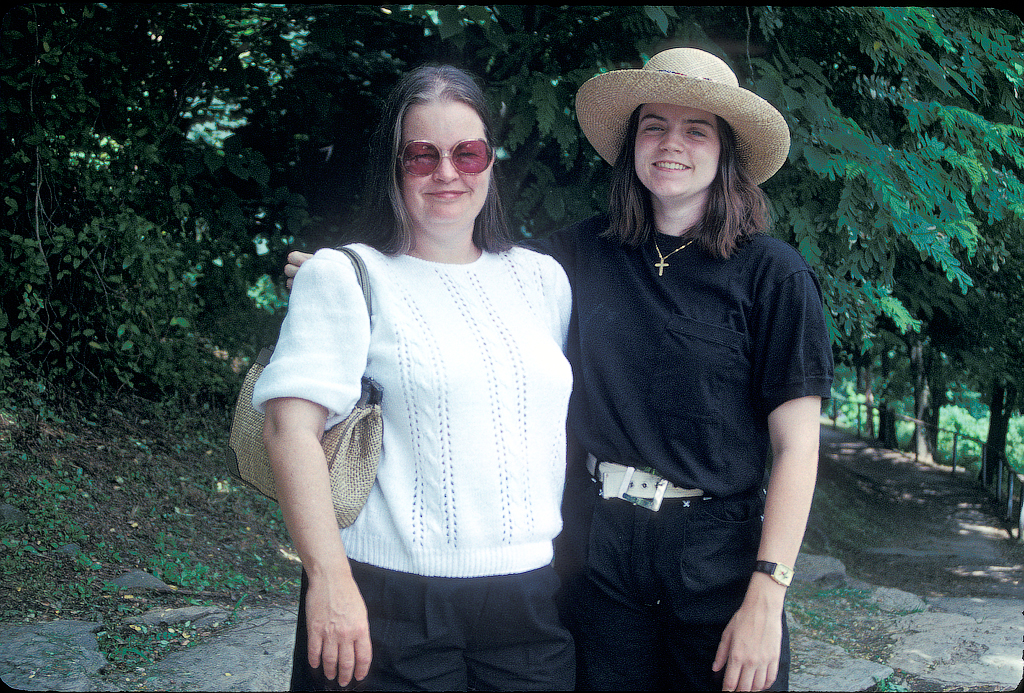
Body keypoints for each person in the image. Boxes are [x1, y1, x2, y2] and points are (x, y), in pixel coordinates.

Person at [286, 48, 834, 692]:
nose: (671, 145)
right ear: (631, 141)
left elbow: (797, 447)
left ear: (727, 151)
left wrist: (767, 595)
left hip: (718, 552)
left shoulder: (773, 275)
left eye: (697, 130)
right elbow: (456, 270)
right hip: (600, 552)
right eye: (654, 125)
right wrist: (337, 279)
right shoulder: (575, 258)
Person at [254, 64, 575, 691]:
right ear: (393, 168)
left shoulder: (543, 281)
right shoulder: (345, 276)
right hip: (389, 602)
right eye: (420, 157)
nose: (447, 173)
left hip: (530, 603)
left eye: (468, 153)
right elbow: (288, 430)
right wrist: (330, 581)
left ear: (492, 162)